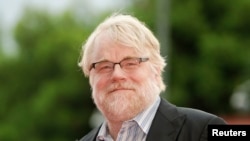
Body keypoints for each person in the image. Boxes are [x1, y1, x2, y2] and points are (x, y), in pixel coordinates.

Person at [77, 13, 227, 141]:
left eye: (131, 63)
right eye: (104, 66)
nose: (117, 75)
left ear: (156, 69)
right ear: (90, 78)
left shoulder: (205, 130)